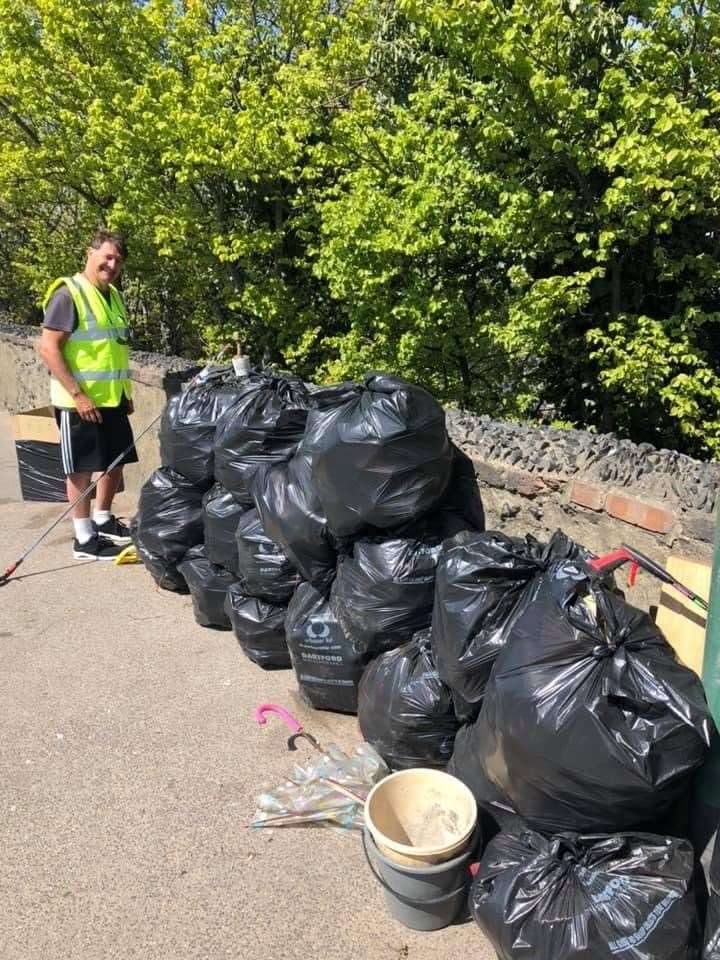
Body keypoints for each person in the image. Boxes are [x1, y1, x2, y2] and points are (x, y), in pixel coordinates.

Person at [38, 228, 137, 560]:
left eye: (118, 260)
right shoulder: (69, 294)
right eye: (107, 256)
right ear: (89, 253)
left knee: (116, 462)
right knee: (80, 468)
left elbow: (113, 350)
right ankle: (83, 539)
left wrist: (125, 392)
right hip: (79, 402)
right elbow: (49, 348)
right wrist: (78, 394)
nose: (112, 264)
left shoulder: (114, 296)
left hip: (111, 398)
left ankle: (104, 520)